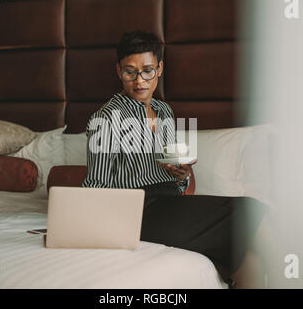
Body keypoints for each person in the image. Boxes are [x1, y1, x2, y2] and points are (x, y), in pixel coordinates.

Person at [81, 30, 269, 288]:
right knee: (248, 208)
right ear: (118, 71)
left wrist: (181, 175)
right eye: (130, 71)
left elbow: (175, 170)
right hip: (137, 210)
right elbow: (96, 187)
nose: (139, 81)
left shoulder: (165, 111)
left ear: (159, 68)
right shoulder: (105, 118)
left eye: (147, 70)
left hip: (171, 201)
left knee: (248, 255)